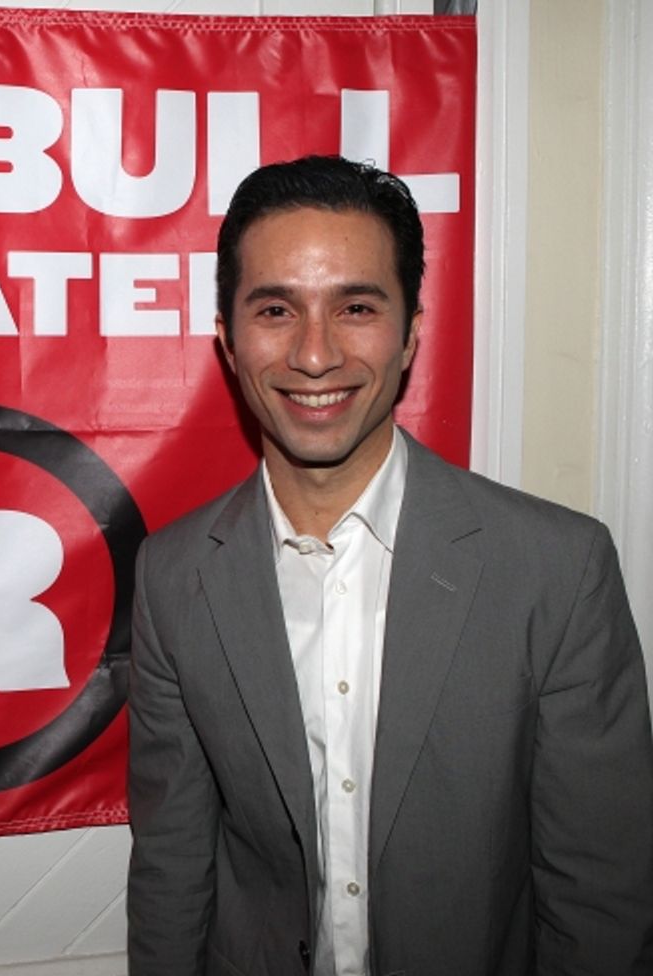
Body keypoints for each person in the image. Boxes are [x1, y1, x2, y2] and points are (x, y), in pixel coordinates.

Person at [126, 155, 653, 976]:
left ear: (410, 333)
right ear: (228, 341)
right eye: (275, 308)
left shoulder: (558, 571)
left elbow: (600, 894)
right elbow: (170, 870)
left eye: (357, 307)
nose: (313, 354)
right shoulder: (173, 576)